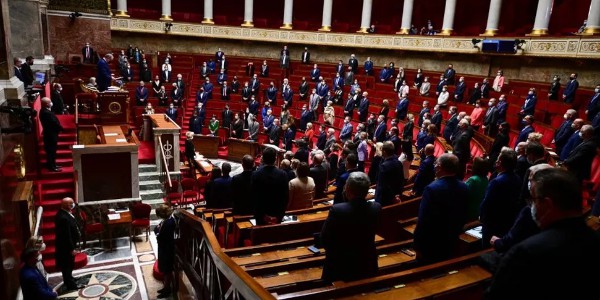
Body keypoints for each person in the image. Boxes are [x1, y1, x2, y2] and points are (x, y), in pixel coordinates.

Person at [485, 168, 600, 300]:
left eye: (534, 199)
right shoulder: (596, 240)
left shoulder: (526, 253)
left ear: (547, 204)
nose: (532, 205)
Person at [320, 172, 381, 282]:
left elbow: (325, 240)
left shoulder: (337, 210)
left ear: (347, 188)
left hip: (341, 266)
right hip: (366, 263)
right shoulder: (376, 208)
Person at [414, 154, 468, 265]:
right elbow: (463, 215)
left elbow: (423, 220)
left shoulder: (432, 189)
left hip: (431, 243)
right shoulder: (464, 187)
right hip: (451, 239)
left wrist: (417, 245)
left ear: (439, 167)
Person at [480, 150, 522, 247]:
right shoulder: (517, 178)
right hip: (507, 220)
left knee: (487, 246)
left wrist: (482, 218)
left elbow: (487, 203)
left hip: (492, 222)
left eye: (498, 160)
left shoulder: (497, 182)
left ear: (500, 164)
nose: (496, 162)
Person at [252, 147, 289, 224]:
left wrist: (262, 214)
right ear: (275, 159)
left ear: (263, 158)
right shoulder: (283, 174)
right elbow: (285, 197)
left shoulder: (256, 174)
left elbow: (254, 196)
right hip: (277, 213)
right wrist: (279, 215)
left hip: (260, 214)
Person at [54, 197, 83, 291]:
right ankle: (71, 285)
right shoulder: (63, 218)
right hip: (66, 248)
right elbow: (67, 236)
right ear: (66, 205)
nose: (73, 204)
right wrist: (72, 249)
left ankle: (69, 278)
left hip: (68, 246)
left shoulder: (65, 213)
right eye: (71, 203)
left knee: (69, 265)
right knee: (67, 265)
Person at [154, 204, 176, 298]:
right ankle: (165, 287)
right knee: (165, 269)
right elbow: (157, 228)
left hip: (167, 249)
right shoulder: (166, 220)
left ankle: (167, 290)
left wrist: (158, 232)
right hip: (164, 248)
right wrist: (158, 230)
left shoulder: (169, 223)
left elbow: (161, 235)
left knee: (167, 270)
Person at [375, 141, 404, 206]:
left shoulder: (383, 166)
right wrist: (397, 194)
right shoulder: (399, 163)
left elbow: (382, 185)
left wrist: (393, 197)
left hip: (384, 199)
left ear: (384, 152)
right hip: (396, 195)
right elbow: (401, 180)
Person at [40, 97, 63, 172]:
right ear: (46, 104)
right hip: (50, 135)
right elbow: (53, 123)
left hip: (50, 134)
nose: (51, 103)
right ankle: (52, 167)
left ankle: (53, 164)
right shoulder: (46, 113)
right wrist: (60, 128)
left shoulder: (44, 111)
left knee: (52, 151)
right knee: (51, 151)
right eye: (50, 102)